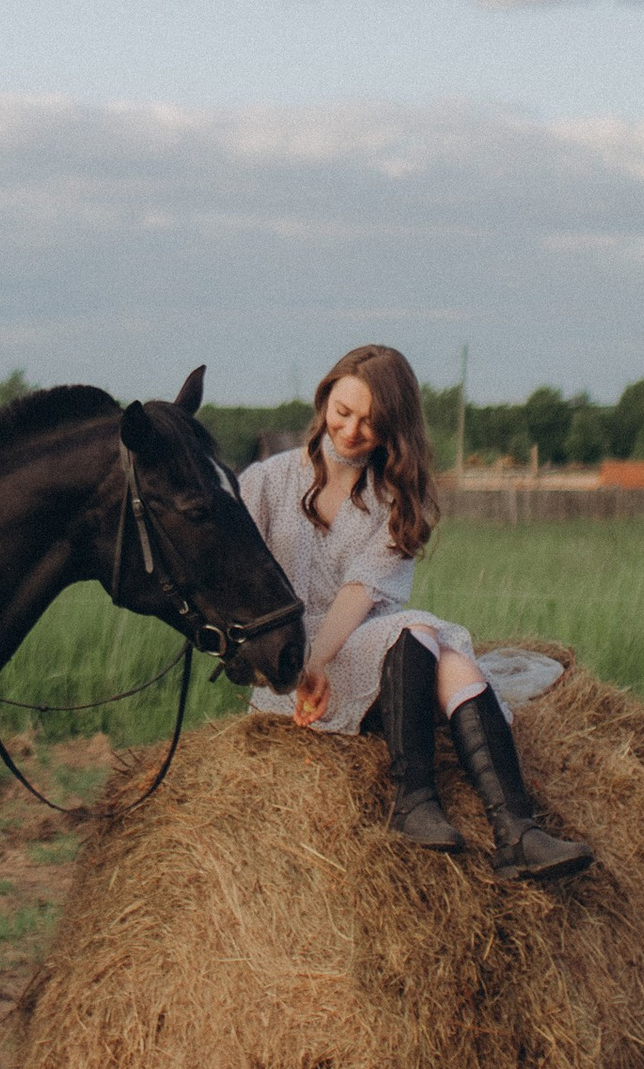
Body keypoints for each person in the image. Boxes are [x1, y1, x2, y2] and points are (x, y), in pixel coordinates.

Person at [239, 345, 590, 882]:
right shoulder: (266, 482)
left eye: (371, 423)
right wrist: (300, 665)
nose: (351, 430)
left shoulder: (399, 498)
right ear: (325, 396)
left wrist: (322, 657)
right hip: (289, 666)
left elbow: (360, 593)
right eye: (343, 411)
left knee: (427, 640)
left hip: (359, 644)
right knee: (426, 636)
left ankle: (512, 830)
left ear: (394, 431)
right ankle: (425, 805)